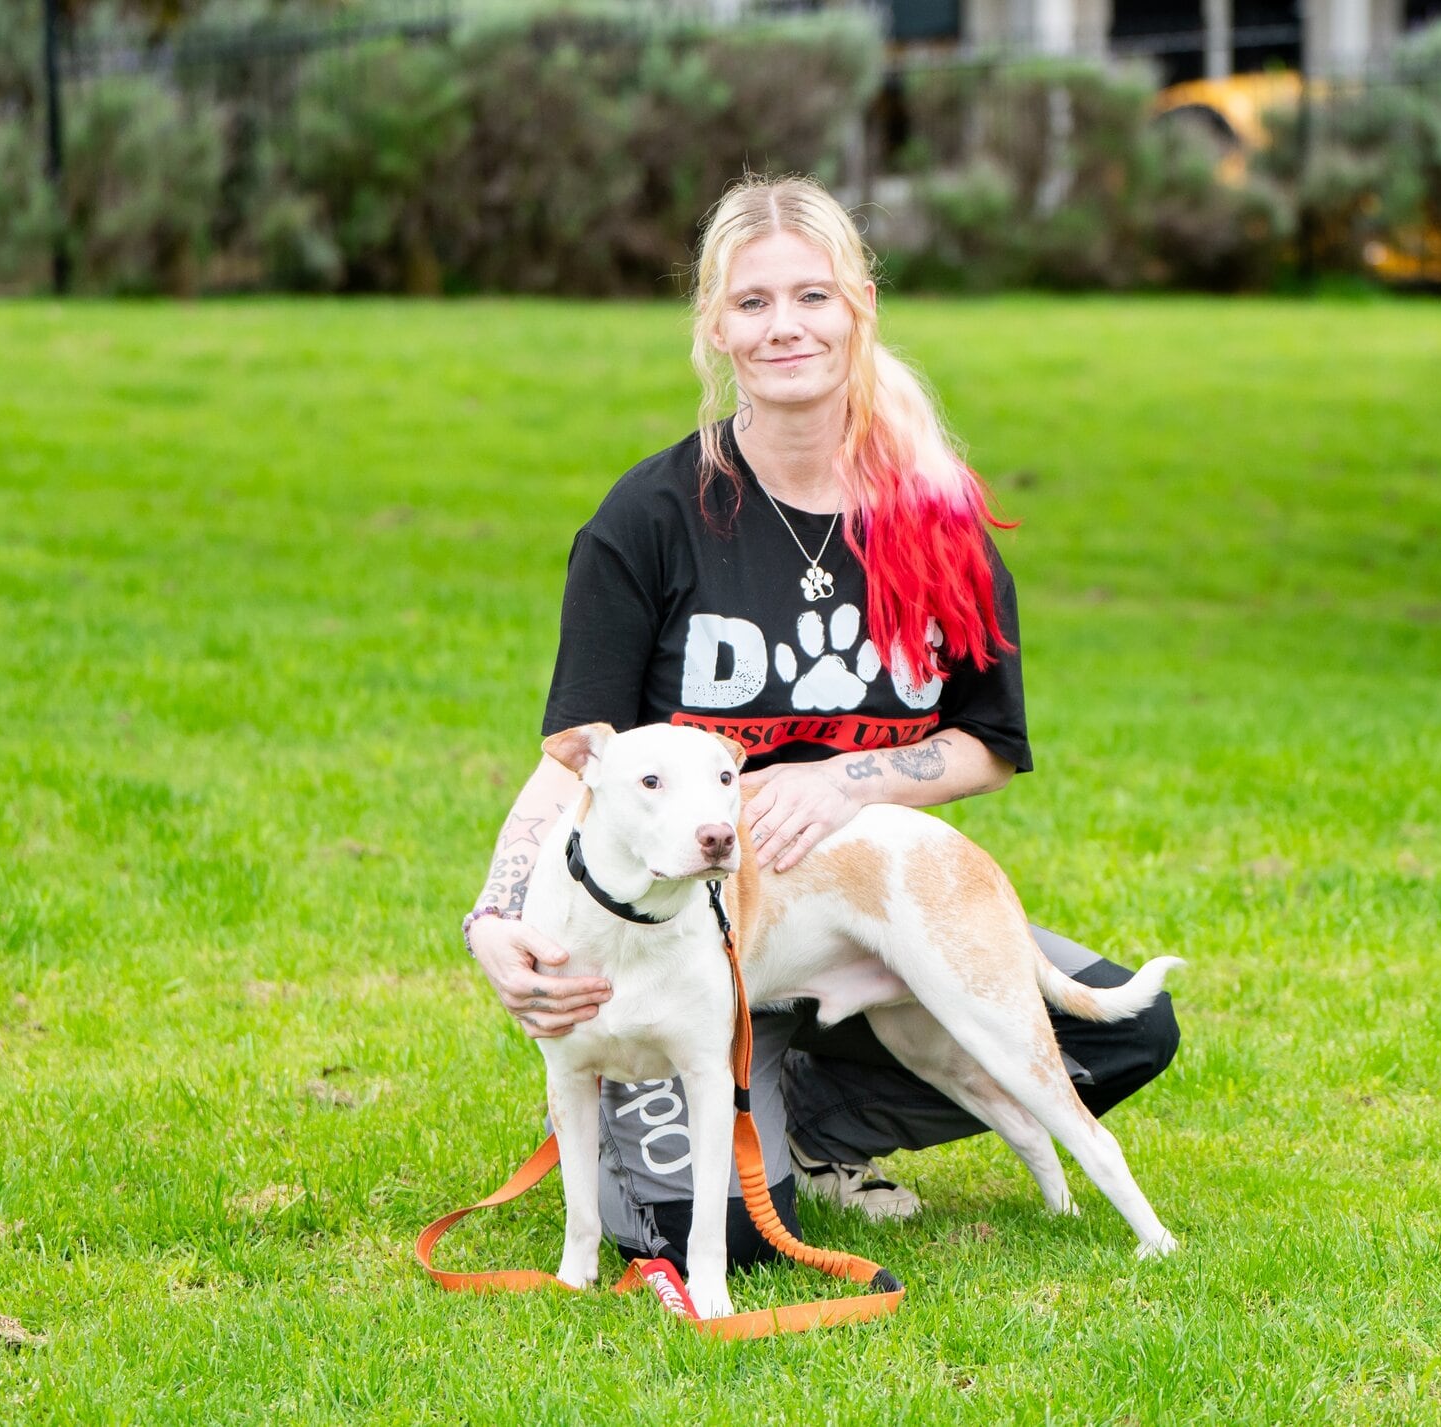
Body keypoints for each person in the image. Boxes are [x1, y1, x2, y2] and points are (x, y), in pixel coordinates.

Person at [463, 173, 1179, 1268]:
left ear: (858, 307)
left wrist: (844, 781)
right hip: (682, 936)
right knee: (707, 1241)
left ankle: (813, 1116)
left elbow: (990, 741)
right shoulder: (648, 517)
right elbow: (575, 758)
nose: (783, 326)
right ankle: (687, 1087)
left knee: (1123, 1031)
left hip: (855, 905)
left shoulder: (935, 521)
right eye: (751, 303)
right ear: (714, 325)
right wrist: (494, 917)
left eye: (811, 296)